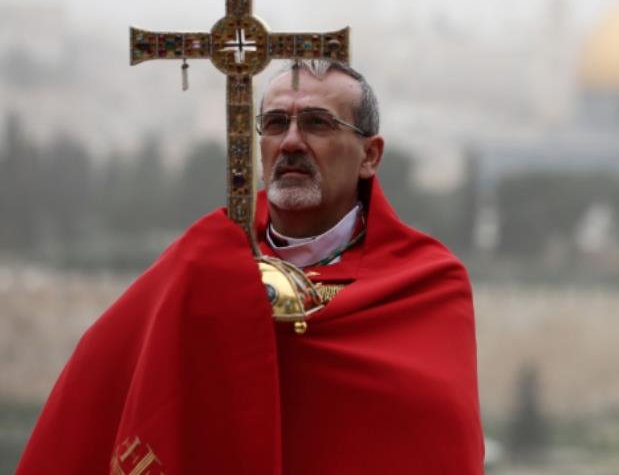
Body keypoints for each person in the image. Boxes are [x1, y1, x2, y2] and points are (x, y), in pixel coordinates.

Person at [17, 60, 484, 474]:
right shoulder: (200, 260)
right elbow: (100, 382)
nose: (291, 141)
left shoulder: (428, 283)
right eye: (276, 123)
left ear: (370, 155)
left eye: (318, 124)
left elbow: (439, 443)